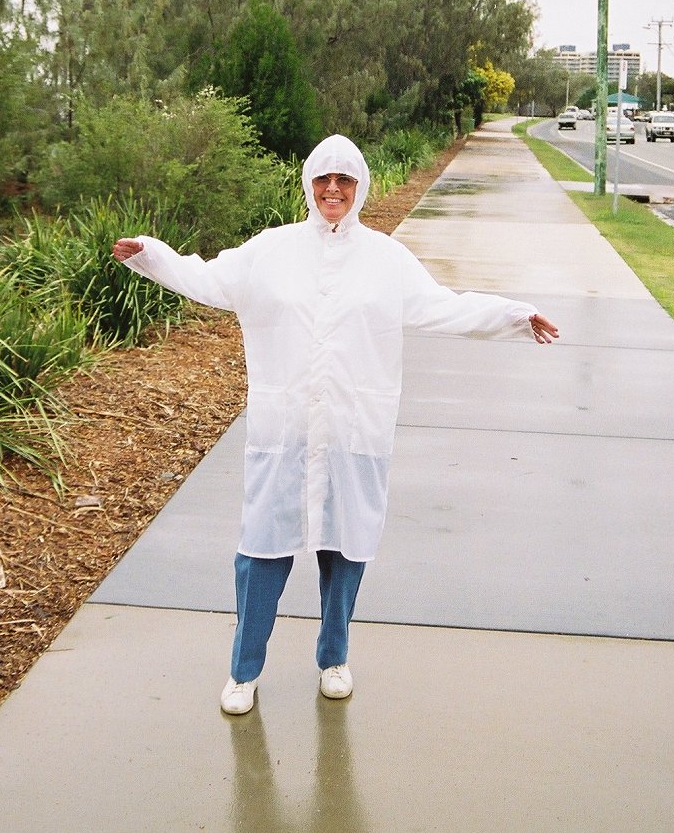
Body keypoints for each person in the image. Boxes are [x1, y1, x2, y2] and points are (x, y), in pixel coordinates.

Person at [113, 134, 558, 715]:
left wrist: (515, 315)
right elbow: (210, 279)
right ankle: (244, 672)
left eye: (344, 180)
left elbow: (444, 306)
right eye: (323, 179)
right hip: (285, 430)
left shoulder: (386, 260)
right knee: (261, 552)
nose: (332, 190)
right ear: (308, 184)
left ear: (360, 187)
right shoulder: (270, 250)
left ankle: (334, 657)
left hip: (355, 430)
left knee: (346, 552)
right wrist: (151, 254)